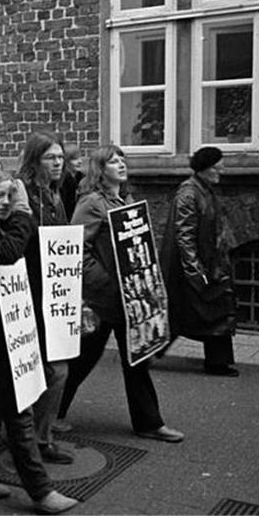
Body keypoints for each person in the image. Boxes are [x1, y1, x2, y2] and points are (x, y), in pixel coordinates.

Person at [0, 171, 78, 515]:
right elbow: (9, 252)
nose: (7, 202)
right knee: (18, 412)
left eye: (11, 195)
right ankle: (40, 492)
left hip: (5, 335)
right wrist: (24, 214)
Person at [57, 145, 184, 443]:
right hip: (105, 298)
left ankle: (149, 422)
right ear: (101, 170)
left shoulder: (125, 199)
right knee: (82, 358)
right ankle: (52, 413)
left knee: (137, 358)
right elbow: (76, 250)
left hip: (130, 296)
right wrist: (103, 281)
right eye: (113, 161)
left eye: (122, 159)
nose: (121, 164)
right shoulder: (91, 203)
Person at [17, 132, 72, 464]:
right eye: (51, 157)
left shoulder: (54, 196)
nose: (57, 163)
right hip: (26, 295)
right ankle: (26, 438)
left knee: (57, 370)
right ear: (35, 159)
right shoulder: (22, 193)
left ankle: (39, 437)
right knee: (28, 371)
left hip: (52, 297)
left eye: (61, 158)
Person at [161, 146, 238, 376]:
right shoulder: (189, 194)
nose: (220, 171)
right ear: (204, 168)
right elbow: (184, 236)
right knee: (198, 312)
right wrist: (196, 271)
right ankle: (216, 362)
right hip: (194, 267)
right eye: (217, 167)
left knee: (193, 313)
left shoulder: (204, 189)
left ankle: (217, 361)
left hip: (206, 264)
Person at [59, 142, 84, 222]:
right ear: (66, 161)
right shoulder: (62, 181)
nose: (79, 161)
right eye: (75, 159)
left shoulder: (82, 177)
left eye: (80, 158)